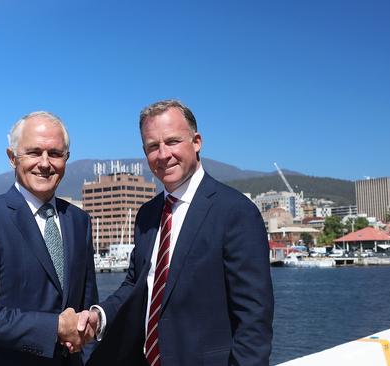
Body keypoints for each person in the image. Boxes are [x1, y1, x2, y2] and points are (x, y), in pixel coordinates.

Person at [84, 100, 274, 366]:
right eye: (153, 146)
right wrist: (100, 316)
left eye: (172, 141)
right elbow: (137, 284)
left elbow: (254, 318)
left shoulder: (235, 212)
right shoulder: (147, 215)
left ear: (196, 142)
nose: (163, 154)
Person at [0, 111, 98, 366]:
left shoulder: (79, 221)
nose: (44, 163)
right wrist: (54, 327)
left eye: (54, 153)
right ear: (12, 158)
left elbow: (87, 305)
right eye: (33, 152)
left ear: (66, 159)